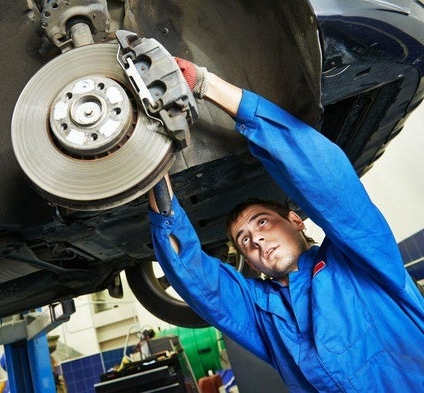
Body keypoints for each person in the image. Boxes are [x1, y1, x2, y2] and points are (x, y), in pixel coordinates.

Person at [148, 57, 424, 392]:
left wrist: (205, 84)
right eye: (244, 241)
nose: (257, 240)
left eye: (262, 222)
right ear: (247, 262)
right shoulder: (262, 315)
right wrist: (149, 159)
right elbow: (195, 277)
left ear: (295, 220)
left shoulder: (360, 260)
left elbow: (327, 183)